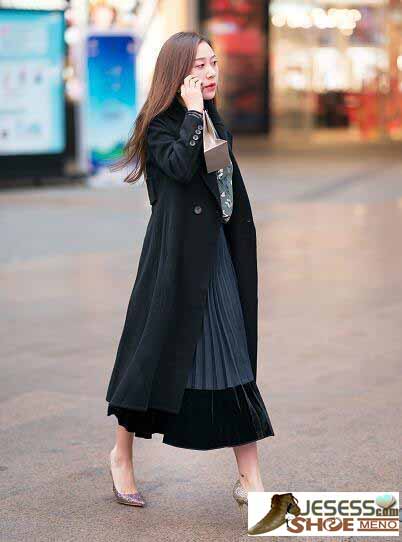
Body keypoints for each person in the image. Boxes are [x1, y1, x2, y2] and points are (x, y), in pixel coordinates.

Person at [105, 31, 275, 520]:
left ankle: (252, 482)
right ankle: (121, 455)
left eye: (214, 62)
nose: (211, 72)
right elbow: (179, 168)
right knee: (151, 355)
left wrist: (206, 122)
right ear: (177, 74)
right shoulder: (159, 125)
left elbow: (219, 182)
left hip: (216, 256)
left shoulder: (213, 119)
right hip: (174, 261)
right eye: (200, 65)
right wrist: (195, 116)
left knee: (235, 359)